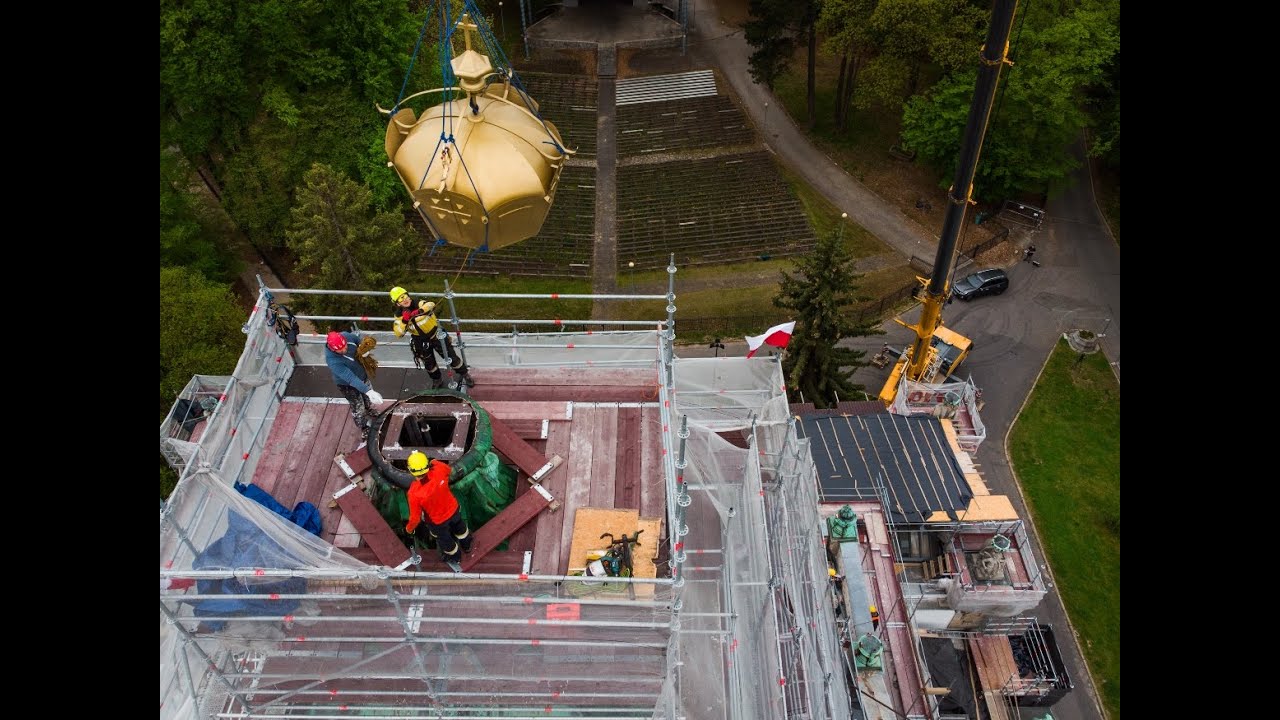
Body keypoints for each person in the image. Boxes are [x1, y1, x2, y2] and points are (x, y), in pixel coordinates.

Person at [389, 286, 474, 389]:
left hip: (436, 335)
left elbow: (431, 305)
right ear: (397, 303)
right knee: (429, 364)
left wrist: (420, 311)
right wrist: (404, 321)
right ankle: (437, 379)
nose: (405, 300)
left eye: (405, 296)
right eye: (401, 299)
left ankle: (465, 374)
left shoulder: (419, 303)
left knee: (451, 357)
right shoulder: (399, 316)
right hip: (420, 340)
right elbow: (398, 333)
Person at [403, 451, 473, 567]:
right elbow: (447, 469)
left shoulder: (414, 492)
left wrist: (409, 530)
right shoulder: (439, 471)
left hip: (438, 522)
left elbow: (415, 518)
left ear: (411, 470)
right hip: (453, 510)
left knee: (445, 540)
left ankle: (456, 558)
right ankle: (467, 546)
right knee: (460, 528)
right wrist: (433, 462)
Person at [324, 330, 384, 432]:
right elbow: (351, 378)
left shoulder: (347, 336)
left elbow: (358, 340)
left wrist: (364, 349)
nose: (345, 350)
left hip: (362, 375)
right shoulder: (333, 361)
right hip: (347, 385)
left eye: (345, 346)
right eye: (341, 350)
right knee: (357, 406)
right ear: (333, 349)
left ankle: (368, 409)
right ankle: (363, 426)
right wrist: (369, 391)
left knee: (367, 399)